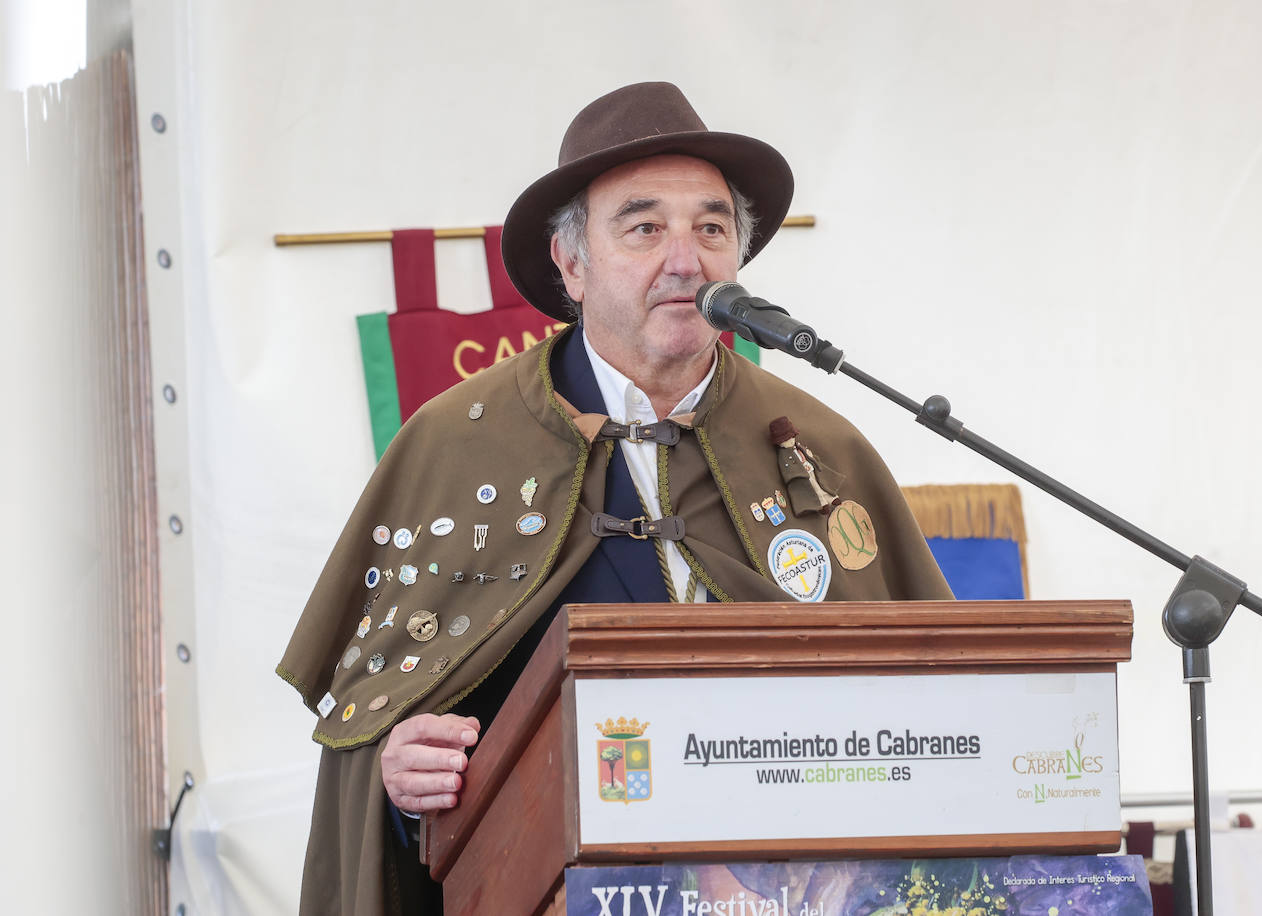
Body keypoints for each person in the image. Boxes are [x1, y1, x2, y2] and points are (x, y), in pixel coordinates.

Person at [278, 81, 952, 916]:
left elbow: (932, 706)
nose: (686, 259)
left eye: (712, 228)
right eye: (644, 228)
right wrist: (389, 772)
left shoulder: (824, 445)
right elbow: (363, 727)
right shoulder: (455, 442)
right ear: (572, 263)